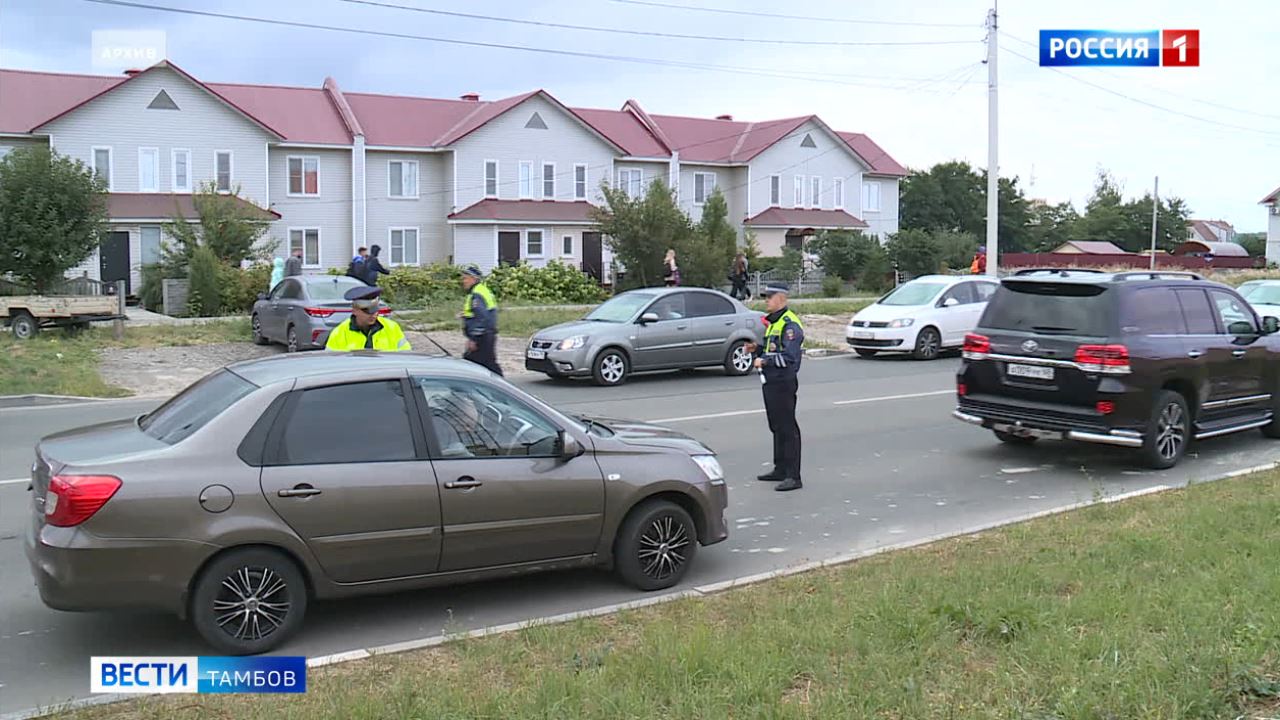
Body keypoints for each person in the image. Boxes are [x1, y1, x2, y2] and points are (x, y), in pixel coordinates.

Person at [744, 282, 805, 492]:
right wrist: (757, 349)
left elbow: (790, 357)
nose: (766, 301)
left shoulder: (790, 324)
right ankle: (780, 468)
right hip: (771, 382)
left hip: (783, 382)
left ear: (782, 298)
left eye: (770, 297)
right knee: (776, 426)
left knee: (788, 428)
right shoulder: (774, 323)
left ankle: (794, 476)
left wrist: (766, 362)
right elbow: (772, 349)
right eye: (766, 297)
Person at [324, 286, 411, 351]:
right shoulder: (340, 333)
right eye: (367, 311)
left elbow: (405, 355)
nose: (373, 314)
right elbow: (331, 363)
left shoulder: (392, 328)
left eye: (375, 310)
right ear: (354, 310)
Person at [459, 265, 503, 375]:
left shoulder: (477, 294)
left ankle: (503, 387)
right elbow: (478, 313)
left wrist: (474, 339)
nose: (463, 281)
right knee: (486, 364)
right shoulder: (480, 290)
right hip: (485, 335)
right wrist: (465, 315)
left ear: (473, 279)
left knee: (475, 364)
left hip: (482, 337)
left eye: (465, 278)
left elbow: (482, 318)